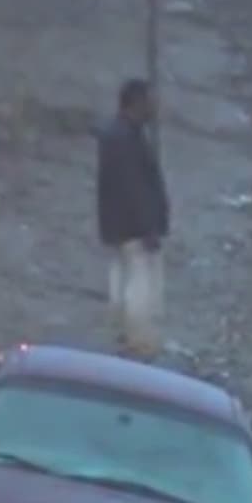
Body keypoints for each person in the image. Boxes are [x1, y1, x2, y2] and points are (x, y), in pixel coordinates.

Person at [96, 79, 170, 358]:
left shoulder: (117, 134)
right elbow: (134, 187)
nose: (154, 107)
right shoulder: (126, 139)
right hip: (133, 227)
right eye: (150, 101)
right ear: (136, 103)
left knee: (122, 278)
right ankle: (138, 340)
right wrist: (149, 226)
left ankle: (121, 334)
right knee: (139, 285)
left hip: (118, 225)